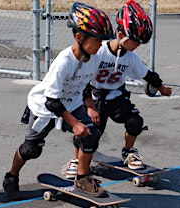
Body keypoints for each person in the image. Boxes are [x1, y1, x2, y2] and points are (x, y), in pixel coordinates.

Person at [3, 2, 115, 200]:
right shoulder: (64, 61)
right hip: (44, 107)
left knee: (91, 135)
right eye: (97, 40)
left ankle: (82, 179)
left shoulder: (94, 56)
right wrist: (75, 123)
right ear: (79, 37)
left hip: (72, 103)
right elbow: (51, 101)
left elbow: (85, 83)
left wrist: (90, 107)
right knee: (31, 149)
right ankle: (11, 177)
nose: (101, 45)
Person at [62, 0, 172, 179]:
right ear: (120, 34)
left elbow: (147, 74)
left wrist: (161, 87)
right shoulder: (100, 51)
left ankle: (128, 152)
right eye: (135, 41)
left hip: (116, 96)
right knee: (90, 132)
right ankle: (76, 160)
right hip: (95, 96)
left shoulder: (131, 57)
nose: (137, 46)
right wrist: (89, 105)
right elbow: (83, 80)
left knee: (135, 121)